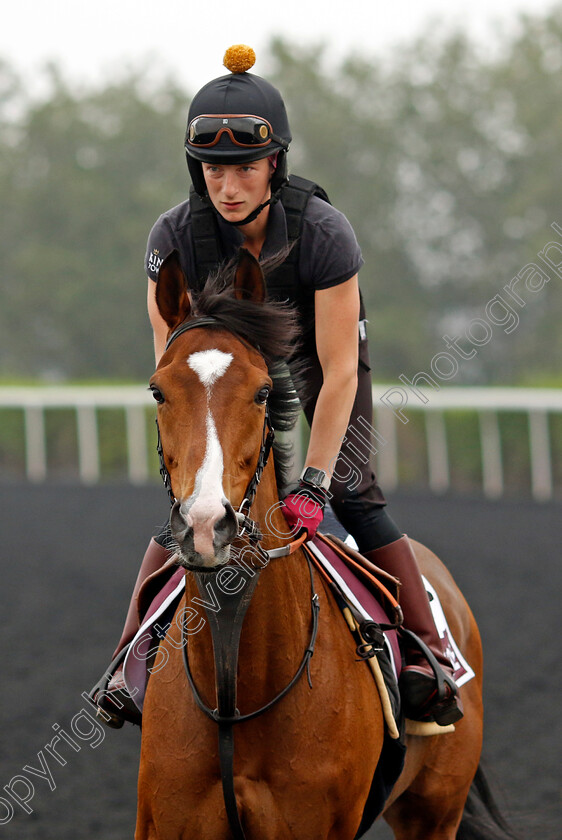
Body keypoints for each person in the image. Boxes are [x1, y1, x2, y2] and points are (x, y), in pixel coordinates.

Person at [92, 45, 462, 729]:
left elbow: (339, 368)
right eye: (213, 170)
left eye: (244, 168)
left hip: (323, 362)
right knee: (192, 503)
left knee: (354, 490)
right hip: (216, 370)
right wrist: (194, 469)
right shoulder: (172, 237)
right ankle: (129, 660)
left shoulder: (323, 233)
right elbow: (172, 366)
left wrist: (316, 480)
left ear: (274, 165)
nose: (227, 186)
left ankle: (430, 653)